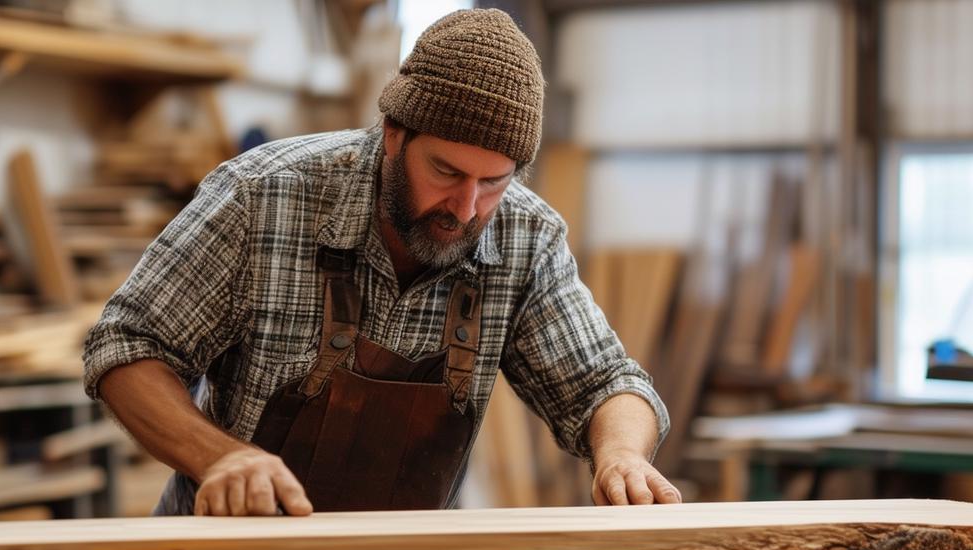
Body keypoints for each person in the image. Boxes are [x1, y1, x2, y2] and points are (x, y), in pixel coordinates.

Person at [82, 8, 680, 517]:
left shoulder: (526, 238)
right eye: (445, 172)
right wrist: (222, 458)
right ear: (394, 134)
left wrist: (622, 454)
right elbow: (128, 347)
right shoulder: (263, 196)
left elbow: (608, 383)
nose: (466, 209)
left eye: (492, 182)